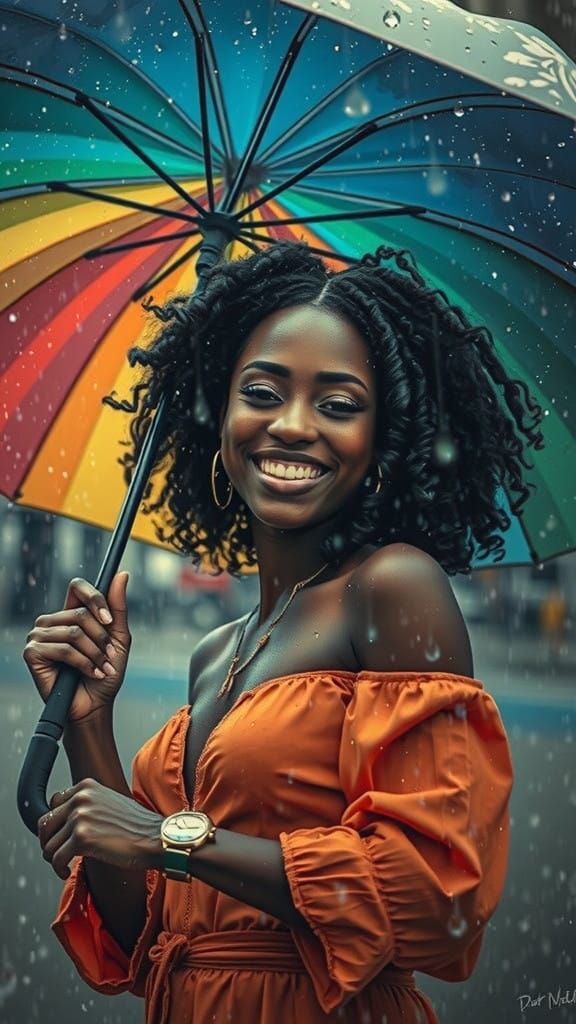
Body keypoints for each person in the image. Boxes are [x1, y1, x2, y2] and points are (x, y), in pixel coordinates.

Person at [23, 241, 543, 1023]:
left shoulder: (392, 588)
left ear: (383, 441)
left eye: (338, 404)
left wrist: (170, 835)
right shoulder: (214, 651)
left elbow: (438, 900)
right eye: (262, 392)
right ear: (220, 416)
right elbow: (143, 935)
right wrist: (88, 725)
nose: (293, 426)